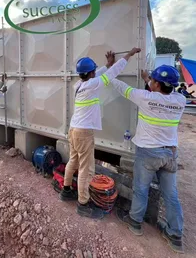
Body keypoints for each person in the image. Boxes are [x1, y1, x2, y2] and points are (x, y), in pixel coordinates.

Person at [110, 65, 185, 254]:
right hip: (170, 154)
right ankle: (175, 235)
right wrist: (148, 80)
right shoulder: (181, 100)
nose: (150, 81)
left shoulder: (145, 97)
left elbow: (121, 87)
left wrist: (110, 70)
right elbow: (160, 96)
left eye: (153, 80)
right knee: (171, 194)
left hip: (149, 153)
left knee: (141, 189)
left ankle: (135, 222)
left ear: (157, 84)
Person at [59, 47, 141, 219]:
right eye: (94, 70)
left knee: (73, 160)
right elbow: (113, 73)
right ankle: (83, 204)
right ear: (91, 73)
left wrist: (106, 64)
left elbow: (99, 74)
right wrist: (129, 54)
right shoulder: (93, 84)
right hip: (83, 133)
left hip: (73, 129)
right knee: (86, 169)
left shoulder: (79, 84)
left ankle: (66, 191)